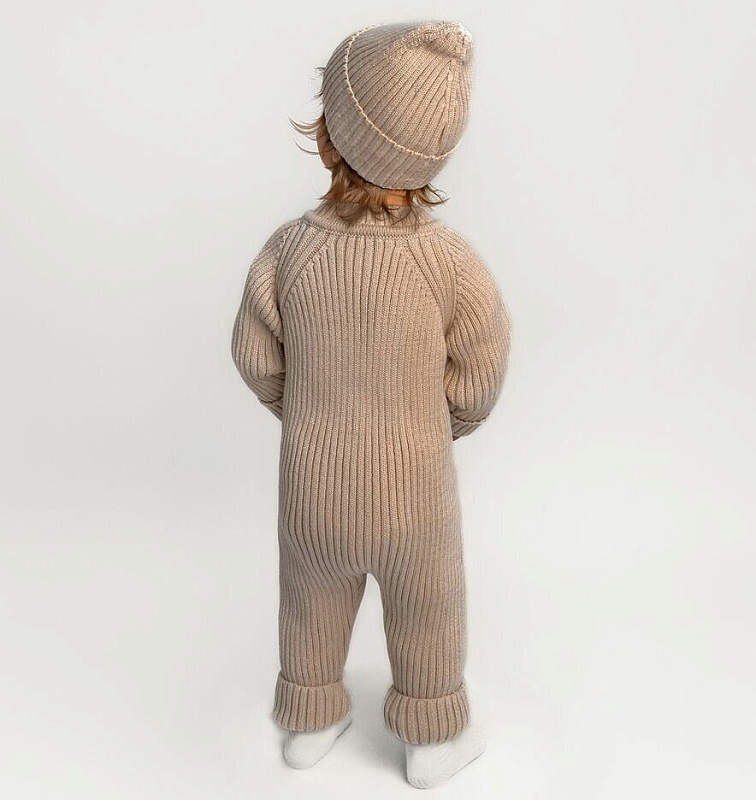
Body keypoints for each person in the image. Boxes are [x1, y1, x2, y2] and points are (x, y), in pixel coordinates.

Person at [231, 20, 512, 789]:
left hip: (313, 489)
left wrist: (305, 412)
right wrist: (441, 424)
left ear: (328, 140)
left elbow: (254, 356)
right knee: (428, 609)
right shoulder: (448, 261)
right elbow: (484, 364)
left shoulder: (288, 251)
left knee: (310, 603)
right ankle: (431, 738)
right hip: (416, 493)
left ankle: (311, 716)